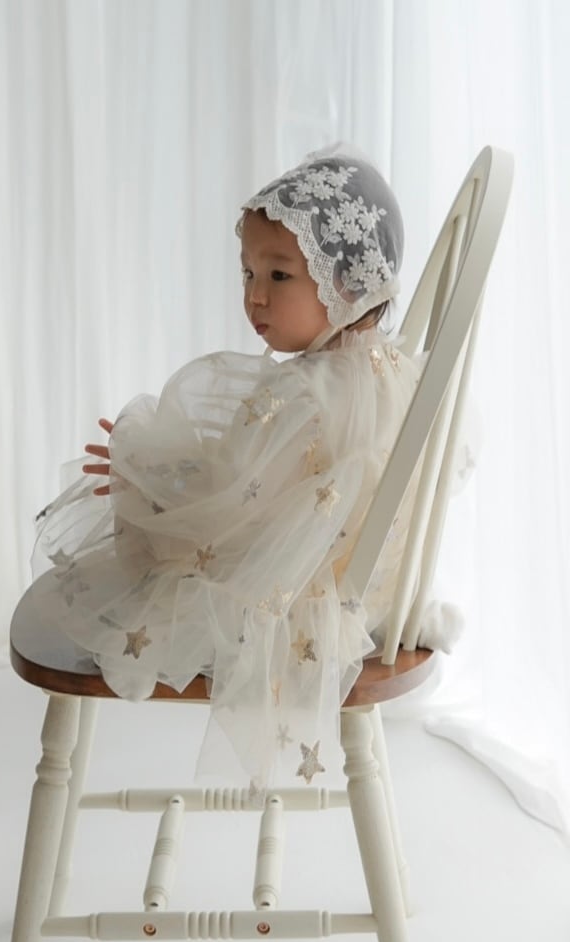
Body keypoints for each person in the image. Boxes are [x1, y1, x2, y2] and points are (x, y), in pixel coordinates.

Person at [32, 146, 426, 790]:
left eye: (279, 276)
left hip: (290, 601)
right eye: (247, 273)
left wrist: (144, 478)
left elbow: (226, 508)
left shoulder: (302, 394)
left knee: (141, 557)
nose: (254, 297)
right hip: (369, 588)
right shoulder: (395, 371)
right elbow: (261, 482)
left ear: (349, 285)